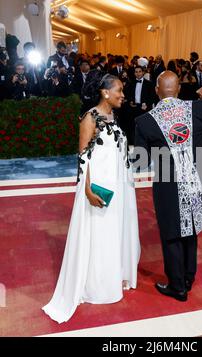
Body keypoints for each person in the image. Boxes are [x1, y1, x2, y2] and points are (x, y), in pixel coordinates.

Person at [42, 73, 141, 323]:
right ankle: (97, 286)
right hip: (98, 188)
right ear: (105, 92)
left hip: (117, 186)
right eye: (119, 90)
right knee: (99, 234)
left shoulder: (113, 115)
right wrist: (87, 190)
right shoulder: (89, 117)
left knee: (112, 233)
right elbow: (83, 157)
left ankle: (111, 276)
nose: (122, 95)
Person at [134, 71, 202, 302]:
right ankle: (189, 277)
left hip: (169, 180)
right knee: (190, 225)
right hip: (201, 177)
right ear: (179, 89)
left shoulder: (144, 121)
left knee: (171, 233)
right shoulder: (199, 108)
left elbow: (140, 162)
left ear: (157, 91)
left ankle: (178, 286)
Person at [124, 65, 156, 144]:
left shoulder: (149, 84)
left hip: (144, 109)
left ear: (143, 72)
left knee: (144, 126)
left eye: (140, 71)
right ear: (134, 73)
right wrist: (130, 101)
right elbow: (128, 95)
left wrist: (147, 104)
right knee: (133, 126)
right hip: (133, 108)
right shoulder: (131, 83)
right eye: (136, 72)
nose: (138, 73)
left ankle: (144, 143)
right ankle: (133, 142)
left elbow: (152, 97)